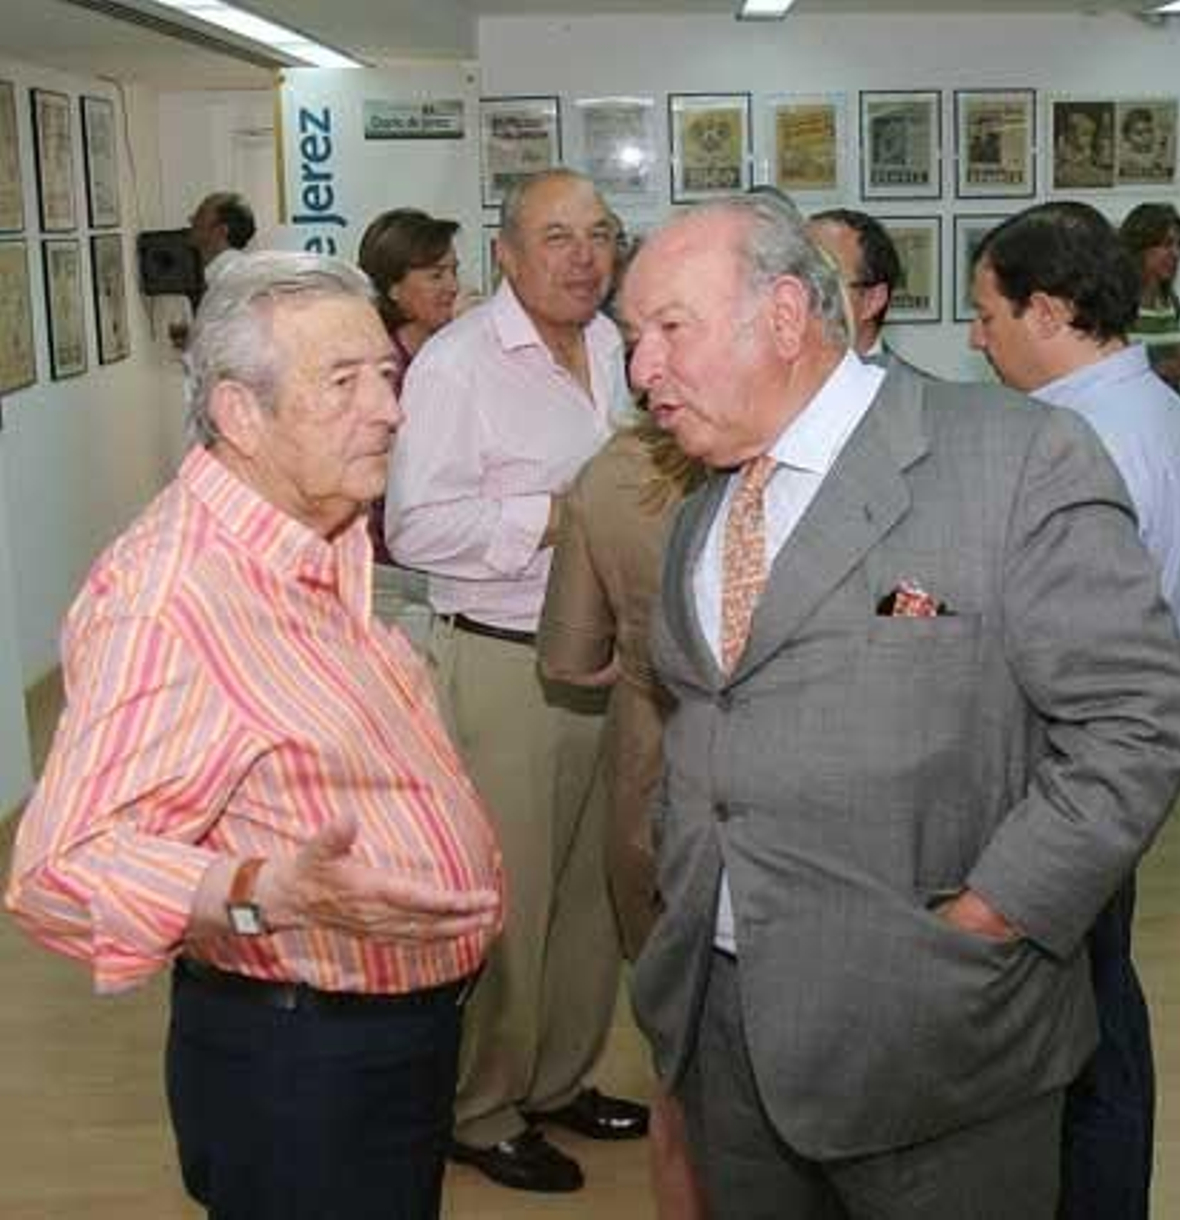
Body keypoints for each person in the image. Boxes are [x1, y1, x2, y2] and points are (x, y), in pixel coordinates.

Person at [622, 194, 1180, 1219]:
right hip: (724, 1025)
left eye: (669, 328)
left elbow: (1138, 716)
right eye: (633, 339)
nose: (640, 369)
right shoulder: (699, 508)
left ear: (787, 314)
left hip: (933, 1031)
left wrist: (995, 912)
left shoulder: (1014, 456)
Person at [3, 252, 503, 1220]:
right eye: (344, 383)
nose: (389, 409)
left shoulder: (320, 536)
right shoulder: (168, 598)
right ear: (240, 413)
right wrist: (258, 890)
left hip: (395, 1036)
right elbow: (56, 870)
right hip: (303, 1070)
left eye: (386, 377)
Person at [385, 169, 647, 1194]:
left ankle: (557, 1077)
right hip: (503, 660)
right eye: (555, 236)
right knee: (512, 897)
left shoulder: (616, 345)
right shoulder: (456, 366)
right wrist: (561, 513)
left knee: (594, 892)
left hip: (610, 657)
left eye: (598, 235)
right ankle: (483, 1105)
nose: (582, 257)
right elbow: (415, 527)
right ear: (505, 251)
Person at [967, 200, 1180, 1220]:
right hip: (1109, 758)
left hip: (1072, 769)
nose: (977, 337)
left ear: (1050, 309)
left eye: (987, 313)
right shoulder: (1148, 406)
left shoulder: (1080, 439)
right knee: (1102, 998)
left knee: (1088, 1028)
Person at [540, 421, 709, 1220]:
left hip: (651, 771)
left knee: (677, 1059)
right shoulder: (784, 458)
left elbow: (566, 658)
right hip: (779, 787)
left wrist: (635, 666)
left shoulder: (605, 475)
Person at [1121, 202, 1180, 709]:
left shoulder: (1169, 301)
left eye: (1179, 244)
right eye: (1164, 244)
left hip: (1174, 432)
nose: (1174, 254)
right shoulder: (1118, 303)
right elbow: (1122, 370)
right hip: (1142, 440)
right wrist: (1174, 364)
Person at [357, 207, 462, 646]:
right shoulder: (379, 372)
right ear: (393, 286)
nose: (453, 286)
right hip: (392, 578)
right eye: (436, 275)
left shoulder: (456, 356)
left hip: (449, 570)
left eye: (454, 271)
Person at [807, 208, 926, 375]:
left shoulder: (924, 397)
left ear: (872, 301)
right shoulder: (766, 389)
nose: (798, 295)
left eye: (822, 281)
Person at [189, 190, 256, 286]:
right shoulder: (249, 269)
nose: (191, 220)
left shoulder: (226, 277)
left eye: (200, 215)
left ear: (221, 231)